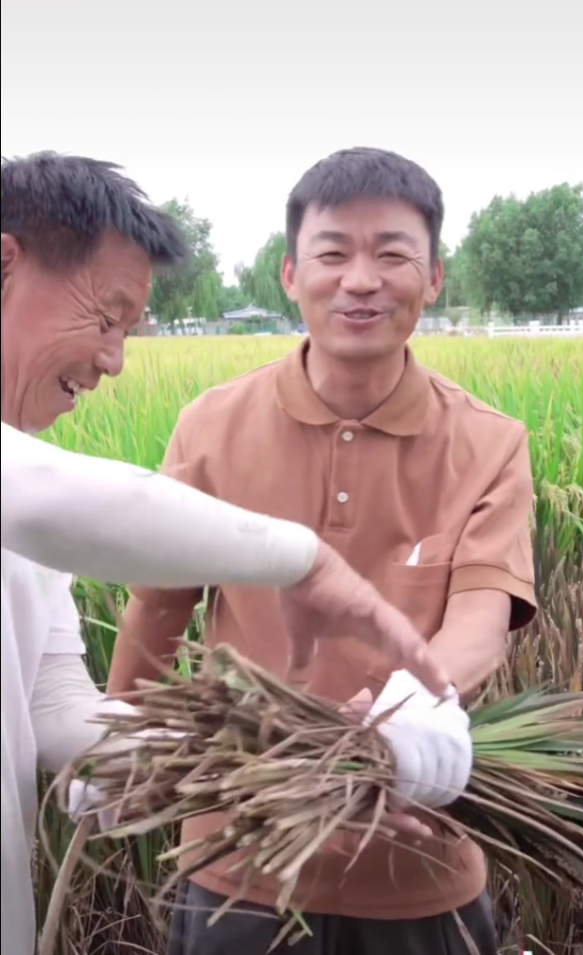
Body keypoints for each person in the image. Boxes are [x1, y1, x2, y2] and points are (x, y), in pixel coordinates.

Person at [0, 150, 451, 955]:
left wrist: (277, 757)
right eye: (105, 318)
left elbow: (52, 703)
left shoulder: (34, 512)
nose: (112, 361)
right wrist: (303, 560)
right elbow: (60, 498)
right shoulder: (36, 488)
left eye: (128, 332)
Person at [108, 146, 538, 955]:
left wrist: (407, 714)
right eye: (333, 252)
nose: (361, 279)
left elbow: (480, 619)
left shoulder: (488, 442)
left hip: (420, 869)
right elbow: (158, 605)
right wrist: (114, 735)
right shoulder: (212, 424)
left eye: (392, 254)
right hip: (241, 858)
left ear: (435, 278)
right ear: (289, 274)